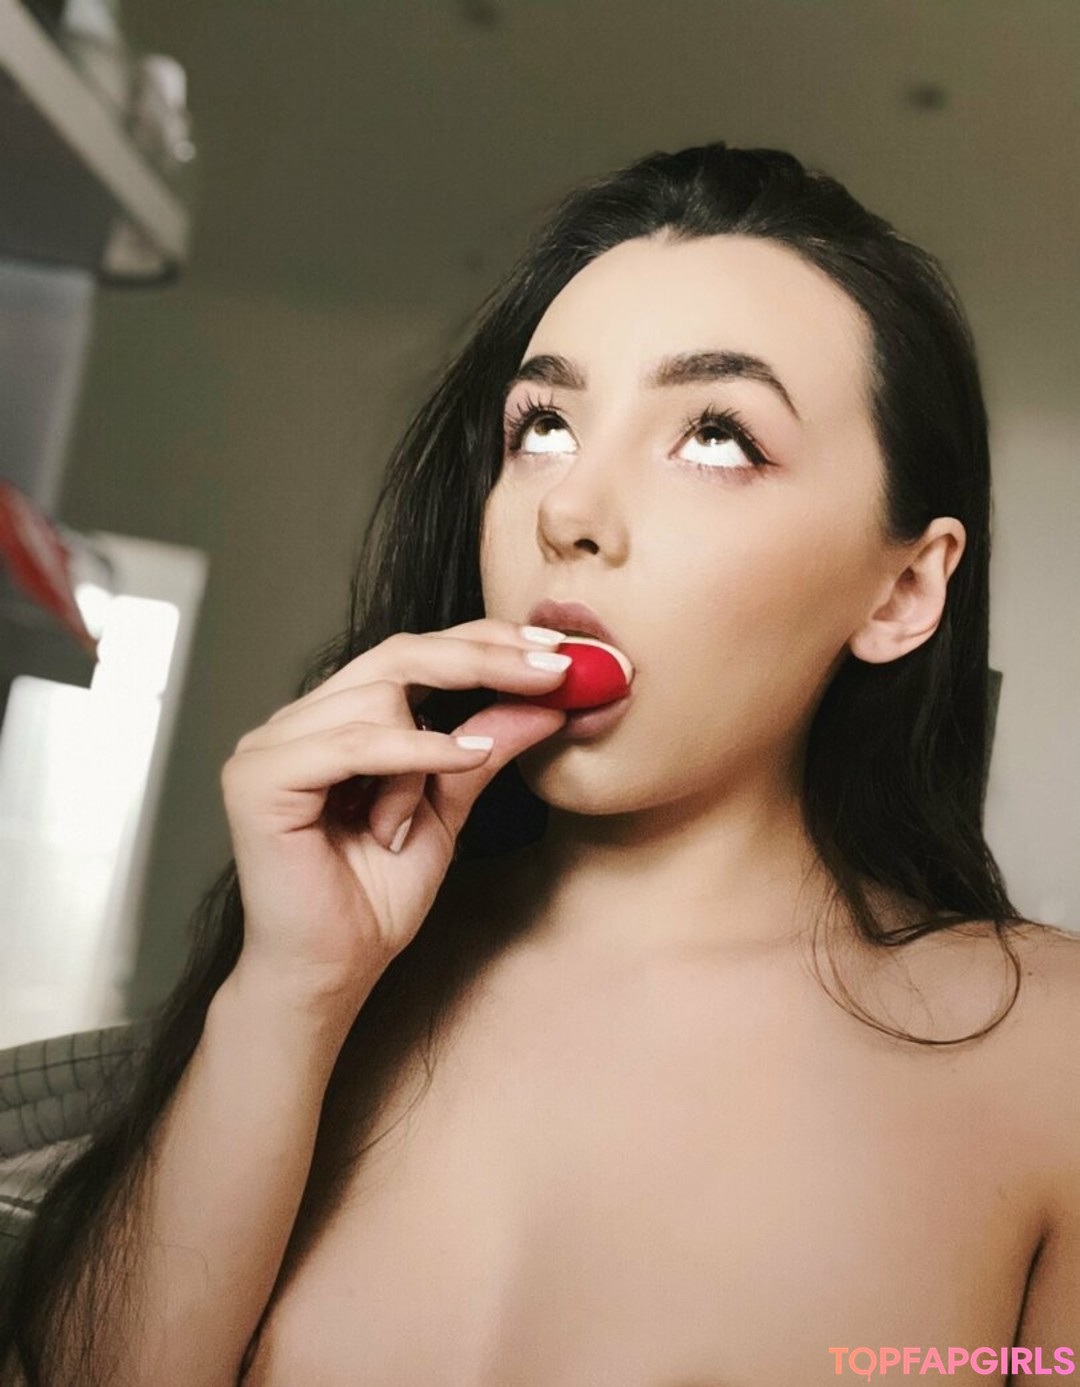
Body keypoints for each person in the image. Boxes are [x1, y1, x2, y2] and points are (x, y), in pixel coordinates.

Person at [2, 139, 1078, 1387]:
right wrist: (290, 987)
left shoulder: (1048, 1059)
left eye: (717, 437)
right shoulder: (343, 988)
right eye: (546, 427)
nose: (569, 514)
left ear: (902, 591)